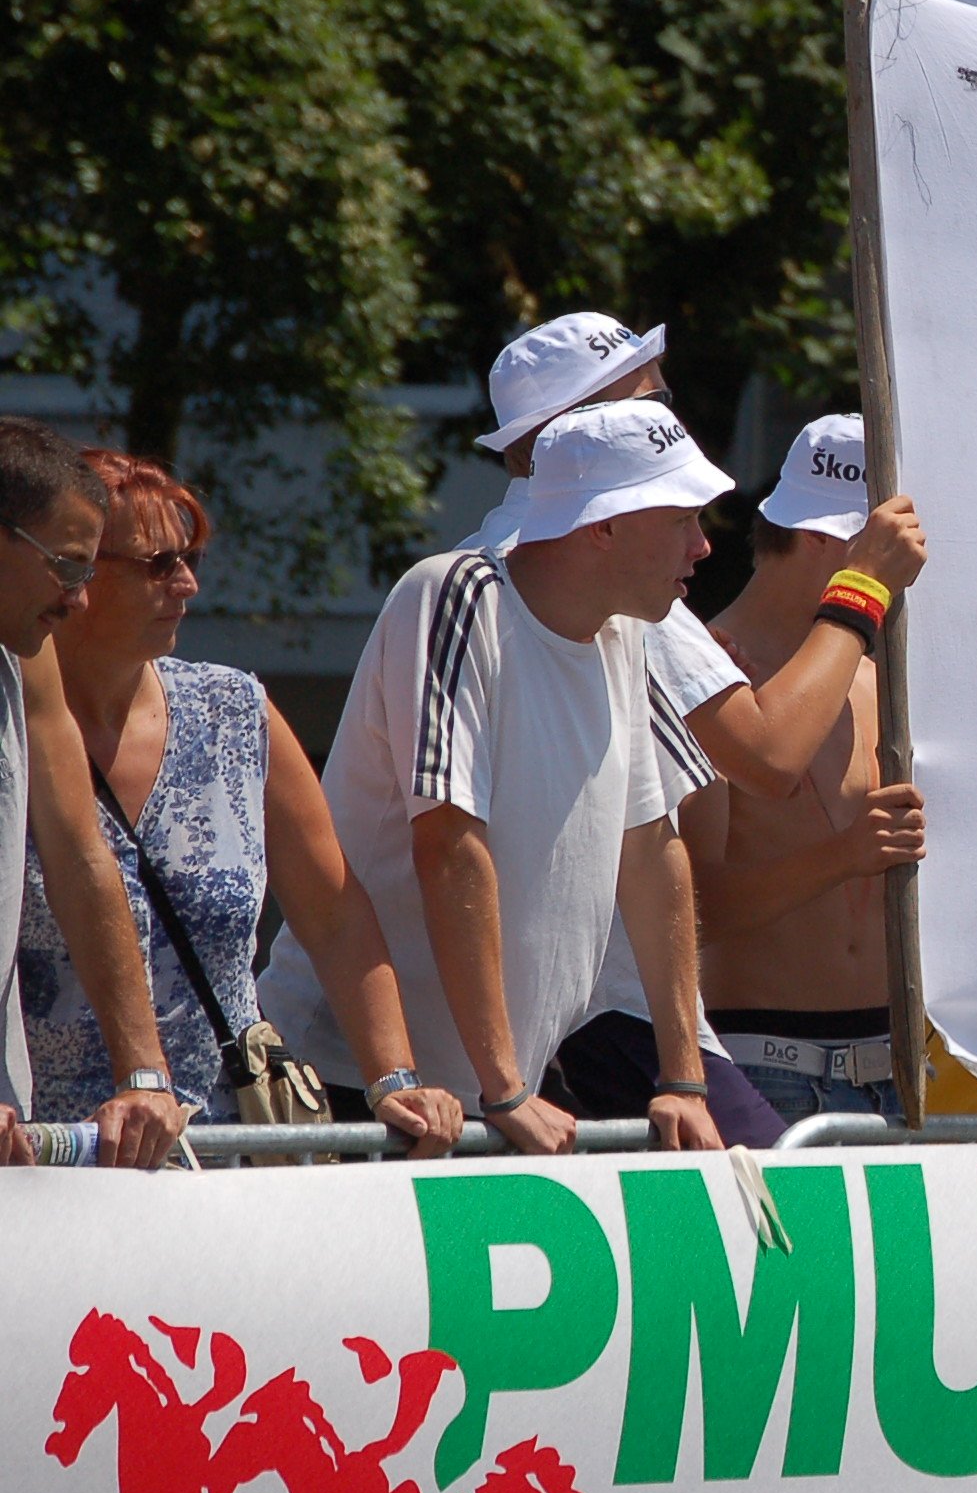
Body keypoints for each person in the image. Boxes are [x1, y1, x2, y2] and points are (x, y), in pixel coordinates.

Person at [457, 314, 925, 1142]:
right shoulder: (607, 582)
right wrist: (861, 590)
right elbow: (768, 757)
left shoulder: (540, 570)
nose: (664, 420)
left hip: (566, 1021)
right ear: (562, 441)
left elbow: (647, 835)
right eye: (644, 399)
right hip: (584, 1023)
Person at [257, 401, 733, 1153]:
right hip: (358, 1085)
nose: (703, 546)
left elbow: (653, 848)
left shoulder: (623, 634)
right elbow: (448, 844)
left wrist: (682, 1080)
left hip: (482, 1095)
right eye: (682, 519)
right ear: (602, 526)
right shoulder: (454, 594)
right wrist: (506, 1085)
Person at [16, 453, 462, 1153]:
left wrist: (394, 1081)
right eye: (159, 564)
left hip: (227, 1148)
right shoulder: (14, 727)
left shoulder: (234, 711)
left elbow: (336, 916)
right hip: (44, 1147)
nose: (187, 585)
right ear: (75, 569)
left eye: (190, 559)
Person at [680, 416, 926, 1124]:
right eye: (891, 552)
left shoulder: (888, 676)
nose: (909, 570)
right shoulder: (709, 670)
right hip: (767, 1065)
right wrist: (843, 857)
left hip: (898, 1064)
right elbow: (695, 911)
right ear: (828, 538)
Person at [0, 419, 184, 1169]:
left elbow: (82, 856)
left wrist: (144, 1076)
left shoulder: (26, 656)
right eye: (69, 568)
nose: (78, 602)